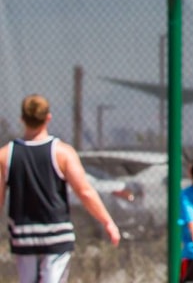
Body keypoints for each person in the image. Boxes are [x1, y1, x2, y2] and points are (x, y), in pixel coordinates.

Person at [0, 94, 120, 283]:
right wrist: (107, 222)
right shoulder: (62, 152)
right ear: (48, 117)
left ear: (22, 119)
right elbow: (85, 191)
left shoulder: (6, 155)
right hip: (56, 234)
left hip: (23, 236)